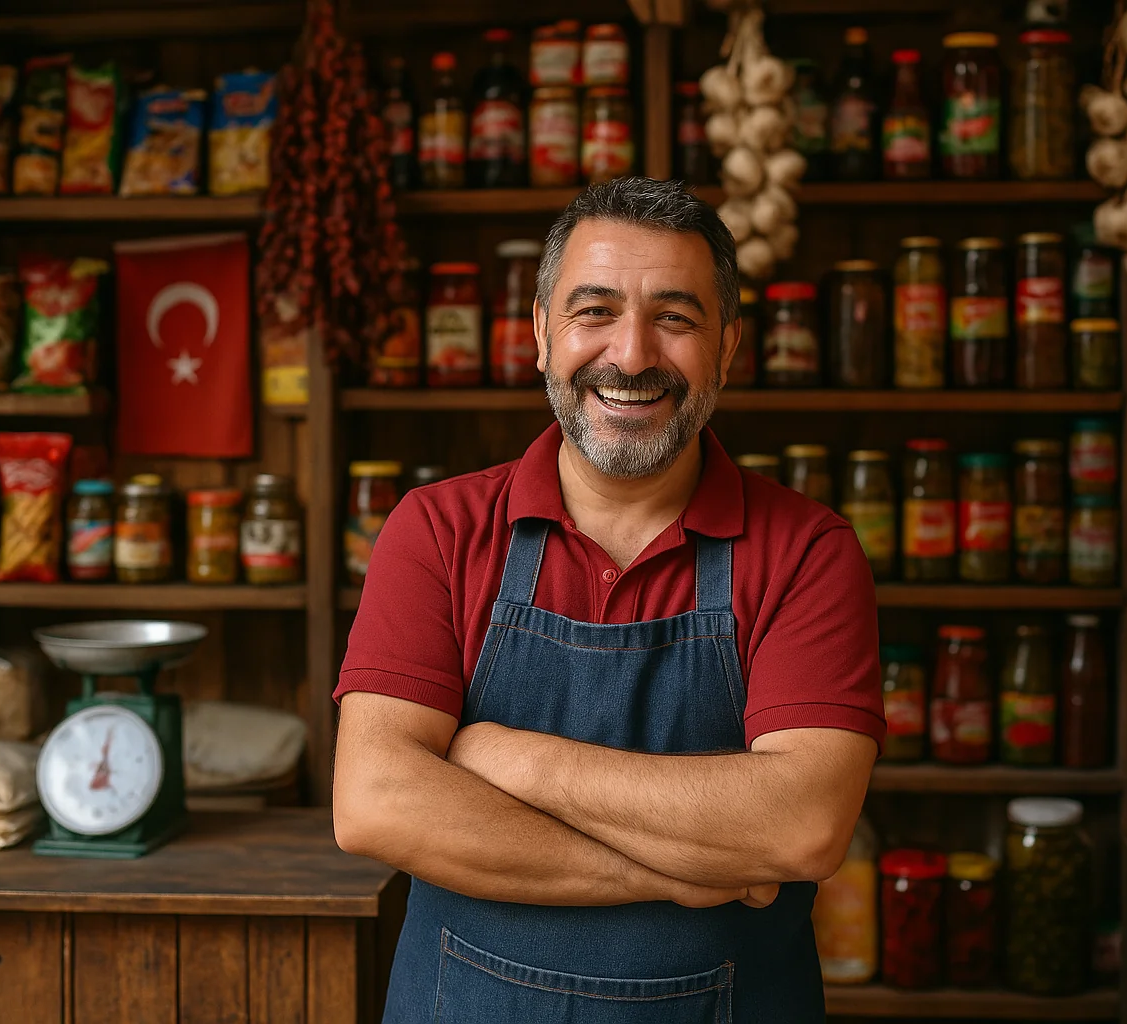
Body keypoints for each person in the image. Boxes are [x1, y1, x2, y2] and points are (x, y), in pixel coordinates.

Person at [334, 176, 883, 1023]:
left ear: (729, 348)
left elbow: (801, 825)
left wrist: (509, 758)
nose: (630, 355)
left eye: (675, 317)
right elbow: (376, 803)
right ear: (542, 338)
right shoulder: (436, 531)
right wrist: (673, 873)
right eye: (593, 312)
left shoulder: (808, 552)